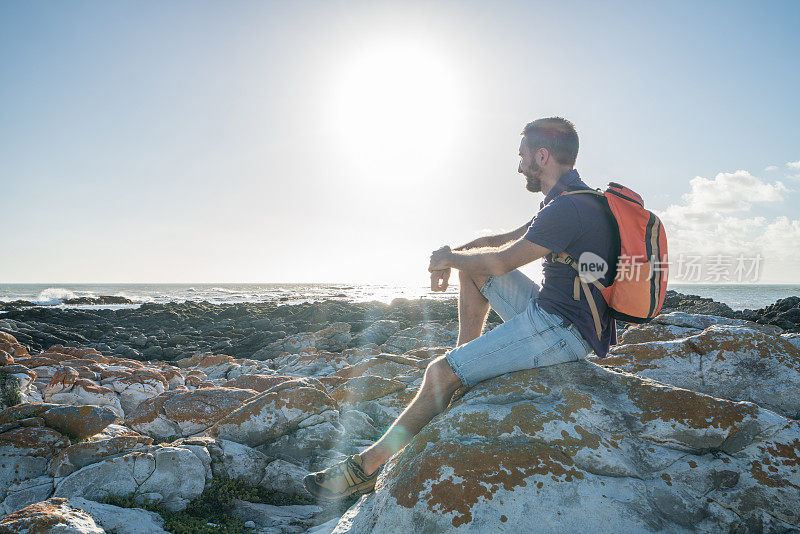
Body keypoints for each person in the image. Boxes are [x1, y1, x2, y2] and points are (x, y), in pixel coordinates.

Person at [303, 116, 618, 501]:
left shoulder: (567, 209)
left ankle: (365, 469)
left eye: (522, 157)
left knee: (438, 372)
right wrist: (450, 257)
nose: (519, 166)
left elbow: (501, 262)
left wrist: (452, 259)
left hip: (563, 330)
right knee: (473, 269)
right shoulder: (568, 199)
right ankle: (464, 365)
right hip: (555, 313)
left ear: (542, 155)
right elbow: (494, 244)